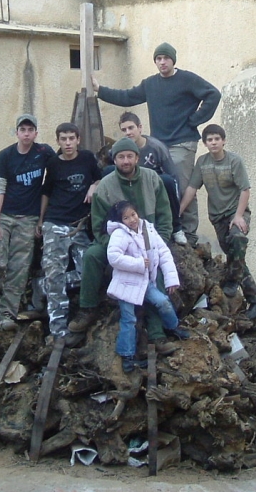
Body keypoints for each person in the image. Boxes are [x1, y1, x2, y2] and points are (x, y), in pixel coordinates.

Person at [92, 42, 221, 246]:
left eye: (165, 58)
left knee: (180, 185)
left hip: (182, 143)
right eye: (158, 59)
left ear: (173, 60)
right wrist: (101, 91)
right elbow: (128, 96)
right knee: (156, 185)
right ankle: (162, 229)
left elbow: (213, 94)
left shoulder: (187, 79)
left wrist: (195, 120)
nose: (162, 62)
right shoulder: (150, 84)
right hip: (158, 144)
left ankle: (188, 233)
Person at [71, 137, 180, 355]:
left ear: (137, 158)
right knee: (92, 254)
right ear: (114, 160)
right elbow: (99, 225)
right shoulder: (106, 186)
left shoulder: (152, 179)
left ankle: (157, 334)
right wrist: (116, 251)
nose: (126, 160)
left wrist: (162, 240)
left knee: (154, 273)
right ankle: (87, 308)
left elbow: (164, 215)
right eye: (121, 157)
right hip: (117, 241)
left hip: (147, 238)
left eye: (130, 156)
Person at [179, 124, 256, 319]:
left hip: (236, 213)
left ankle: (232, 281)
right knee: (236, 257)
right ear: (205, 143)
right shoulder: (202, 163)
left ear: (223, 141)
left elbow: (245, 189)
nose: (213, 142)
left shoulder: (234, 161)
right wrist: (178, 212)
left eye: (217, 139)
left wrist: (238, 216)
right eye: (209, 140)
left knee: (237, 240)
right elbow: (192, 189)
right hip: (217, 217)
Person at [0, 114, 55, 330]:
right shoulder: (5, 156)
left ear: (36, 133)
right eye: (22, 129)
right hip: (4, 216)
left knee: (19, 268)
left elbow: (59, 169)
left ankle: (7, 313)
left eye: (30, 130)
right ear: (17, 132)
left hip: (28, 219)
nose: (26, 133)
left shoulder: (43, 152)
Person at [106, 201, 189, 372]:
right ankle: (127, 357)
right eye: (126, 217)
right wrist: (138, 263)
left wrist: (170, 279)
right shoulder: (119, 234)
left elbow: (163, 252)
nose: (131, 220)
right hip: (126, 285)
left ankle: (173, 326)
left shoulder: (148, 230)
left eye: (133, 215)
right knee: (128, 320)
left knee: (163, 302)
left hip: (145, 282)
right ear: (120, 221)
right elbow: (113, 257)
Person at [37, 123, 101, 347]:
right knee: (54, 273)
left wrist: (94, 185)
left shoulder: (87, 159)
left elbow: (100, 178)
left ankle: (45, 284)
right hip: (55, 223)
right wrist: (41, 220)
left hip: (80, 225)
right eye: (63, 139)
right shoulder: (53, 164)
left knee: (89, 274)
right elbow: (46, 191)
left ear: (78, 139)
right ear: (58, 141)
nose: (67, 143)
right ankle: (58, 331)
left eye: (71, 138)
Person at [105, 111, 187, 245]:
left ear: (140, 128)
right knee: (107, 172)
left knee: (168, 181)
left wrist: (177, 207)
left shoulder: (157, 147)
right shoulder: (119, 148)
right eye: (124, 130)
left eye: (131, 128)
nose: (128, 132)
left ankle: (176, 228)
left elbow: (173, 176)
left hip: (153, 185)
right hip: (129, 183)